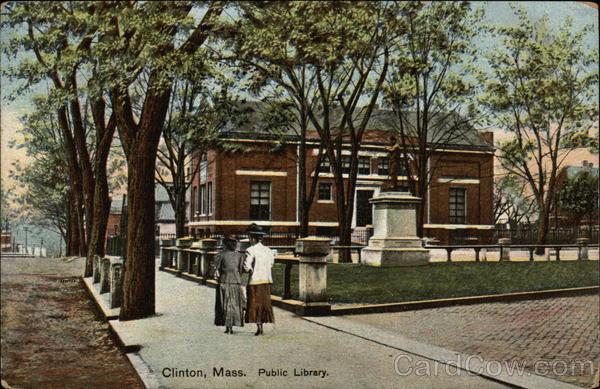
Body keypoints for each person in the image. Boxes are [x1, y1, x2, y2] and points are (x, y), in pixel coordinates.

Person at [243, 223, 275, 336]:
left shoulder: (250, 250)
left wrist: (248, 269)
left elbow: (247, 267)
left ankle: (259, 327)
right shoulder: (268, 250)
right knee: (264, 304)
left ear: (252, 238)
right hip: (266, 280)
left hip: (255, 281)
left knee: (255, 304)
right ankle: (262, 325)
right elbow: (271, 264)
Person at [212, 234, 245, 334]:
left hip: (224, 281)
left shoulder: (220, 255)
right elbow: (241, 270)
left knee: (225, 304)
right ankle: (231, 325)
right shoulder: (240, 256)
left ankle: (228, 327)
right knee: (234, 304)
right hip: (235, 281)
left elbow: (215, 270)